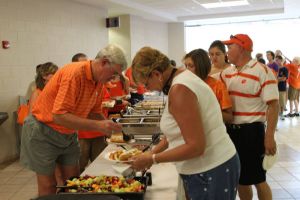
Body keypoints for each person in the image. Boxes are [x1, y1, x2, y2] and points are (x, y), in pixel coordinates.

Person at [130, 46, 240, 200]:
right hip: (211, 166)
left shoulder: (180, 89)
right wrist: (153, 152)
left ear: (156, 74)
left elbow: (196, 146)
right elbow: (179, 131)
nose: (149, 89)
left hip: (211, 168)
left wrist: (153, 159)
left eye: (146, 84)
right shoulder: (182, 78)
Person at [20, 44, 126, 197]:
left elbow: (94, 112)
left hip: (67, 133)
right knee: (48, 185)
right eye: (114, 73)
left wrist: (111, 128)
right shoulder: (75, 73)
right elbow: (59, 116)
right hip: (43, 130)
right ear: (103, 62)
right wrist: (99, 126)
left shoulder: (99, 82)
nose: (114, 78)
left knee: (73, 181)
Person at [221, 34, 279, 200]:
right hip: (230, 132)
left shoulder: (263, 71)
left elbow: (273, 105)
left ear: (241, 48)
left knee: (258, 179)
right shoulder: (227, 73)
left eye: (229, 47)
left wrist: (269, 137)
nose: (227, 52)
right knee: (240, 180)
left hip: (252, 132)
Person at [184, 48, 233, 123]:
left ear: (201, 66)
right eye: (186, 66)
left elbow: (229, 117)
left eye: (191, 66)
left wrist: (208, 110)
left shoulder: (217, 85)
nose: (187, 70)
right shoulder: (184, 85)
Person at [275, 55, 288, 120]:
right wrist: (279, 78)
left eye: (277, 60)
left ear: (280, 60)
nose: (276, 61)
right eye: (275, 60)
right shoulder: (275, 68)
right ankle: (277, 113)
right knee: (276, 102)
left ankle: (281, 114)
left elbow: (284, 78)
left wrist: (277, 78)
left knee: (282, 102)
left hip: (282, 88)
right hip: (274, 88)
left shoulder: (284, 69)